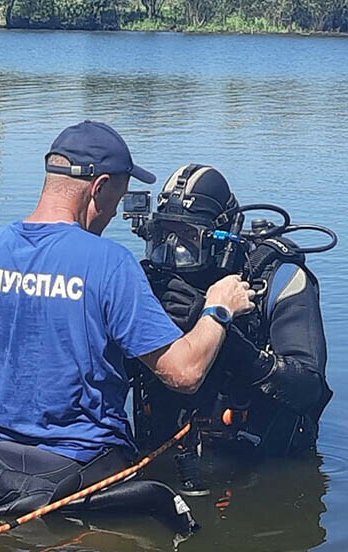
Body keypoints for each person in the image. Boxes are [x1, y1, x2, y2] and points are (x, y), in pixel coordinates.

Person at [0, 123, 254, 529]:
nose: (114, 215)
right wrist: (218, 309)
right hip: (84, 465)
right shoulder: (109, 263)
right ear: (99, 187)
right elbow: (185, 373)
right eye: (117, 200)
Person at [129, 164, 334, 496]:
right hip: (162, 465)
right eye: (160, 236)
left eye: (186, 240)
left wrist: (217, 326)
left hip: (265, 475)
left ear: (220, 239)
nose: (171, 252)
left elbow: (308, 389)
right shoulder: (149, 283)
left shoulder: (279, 282)